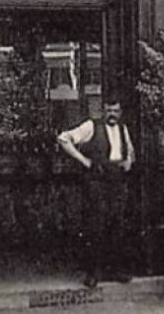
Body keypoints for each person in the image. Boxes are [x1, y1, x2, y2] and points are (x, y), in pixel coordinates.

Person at [56, 98, 136, 288]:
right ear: (103, 110)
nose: (112, 115)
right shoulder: (91, 126)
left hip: (117, 179)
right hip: (97, 180)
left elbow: (130, 150)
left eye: (116, 111)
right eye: (109, 111)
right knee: (96, 225)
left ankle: (116, 270)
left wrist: (129, 162)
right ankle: (93, 273)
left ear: (121, 111)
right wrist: (84, 161)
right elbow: (63, 139)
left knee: (116, 224)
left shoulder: (123, 128)